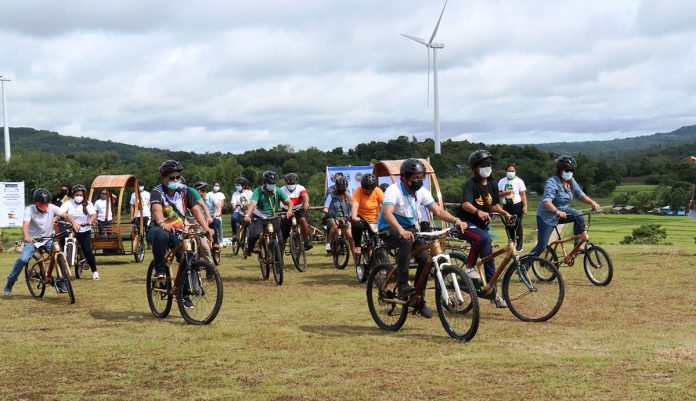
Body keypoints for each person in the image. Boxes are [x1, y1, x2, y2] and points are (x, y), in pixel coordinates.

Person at [378, 158, 468, 318]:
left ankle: (418, 300)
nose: (419, 181)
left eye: (422, 178)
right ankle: (403, 284)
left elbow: (438, 211)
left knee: (426, 259)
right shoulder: (394, 190)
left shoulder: (422, 192)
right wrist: (400, 230)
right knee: (406, 240)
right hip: (389, 227)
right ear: (404, 178)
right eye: (415, 178)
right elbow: (387, 213)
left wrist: (456, 220)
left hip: (410, 228)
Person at [148, 160, 214, 308]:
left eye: (177, 177)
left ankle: (183, 294)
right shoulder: (157, 192)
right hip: (159, 229)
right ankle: (159, 270)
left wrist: (206, 228)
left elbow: (196, 210)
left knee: (188, 257)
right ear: (163, 178)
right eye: (172, 178)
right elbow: (157, 210)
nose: (175, 180)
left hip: (179, 230)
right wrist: (162, 223)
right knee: (161, 235)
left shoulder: (185, 191)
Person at [456, 150, 513, 308]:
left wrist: (504, 212)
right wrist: (478, 211)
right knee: (482, 238)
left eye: (489, 164)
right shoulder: (470, 184)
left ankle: (494, 294)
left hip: (481, 226)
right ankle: (468, 269)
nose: (487, 167)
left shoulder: (493, 183)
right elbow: (465, 204)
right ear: (474, 168)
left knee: (489, 261)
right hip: (465, 223)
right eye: (483, 165)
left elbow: (493, 205)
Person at [4, 188, 81, 296]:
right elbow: (25, 224)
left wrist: (74, 223)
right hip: (33, 240)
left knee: (60, 257)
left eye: (46, 203)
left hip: (48, 239)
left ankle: (60, 281)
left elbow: (65, 216)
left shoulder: (52, 207)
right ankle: (10, 281)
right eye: (42, 204)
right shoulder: (29, 210)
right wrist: (27, 237)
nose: (45, 206)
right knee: (23, 259)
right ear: (35, 202)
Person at [528, 155, 600, 258]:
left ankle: (577, 246)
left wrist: (592, 202)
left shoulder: (571, 181)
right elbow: (547, 202)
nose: (569, 172)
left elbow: (581, 195)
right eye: (567, 170)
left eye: (572, 170)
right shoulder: (551, 183)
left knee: (579, 216)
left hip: (562, 213)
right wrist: (556, 212)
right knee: (541, 246)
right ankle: (524, 265)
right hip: (547, 216)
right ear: (560, 170)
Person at [244, 171, 294, 256]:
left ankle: (279, 265)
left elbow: (290, 202)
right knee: (254, 235)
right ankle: (249, 249)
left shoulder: (278, 191)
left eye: (274, 183)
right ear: (265, 182)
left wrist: (289, 211)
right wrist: (248, 215)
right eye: (270, 183)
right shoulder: (258, 191)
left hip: (274, 217)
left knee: (280, 242)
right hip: (260, 217)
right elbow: (252, 205)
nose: (272, 185)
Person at [59, 184, 99, 280]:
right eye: (77, 195)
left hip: (84, 230)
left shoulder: (88, 204)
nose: (79, 197)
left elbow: (93, 214)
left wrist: (89, 221)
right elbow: (60, 212)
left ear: (84, 195)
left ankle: (94, 272)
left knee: (87, 250)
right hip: (70, 229)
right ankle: (63, 271)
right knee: (61, 247)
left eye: (81, 195)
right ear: (73, 195)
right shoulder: (68, 203)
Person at [350, 173, 384, 256]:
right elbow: (355, 205)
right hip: (362, 218)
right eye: (366, 189)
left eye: (371, 190)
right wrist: (354, 216)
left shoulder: (378, 191)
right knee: (356, 225)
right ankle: (357, 246)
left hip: (375, 220)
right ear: (362, 187)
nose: (368, 191)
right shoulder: (358, 191)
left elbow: (384, 204)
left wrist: (387, 216)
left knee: (377, 239)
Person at [498, 163, 527, 252]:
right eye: (509, 171)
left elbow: (523, 194)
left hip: (517, 205)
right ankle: (511, 244)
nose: (510, 172)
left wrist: (525, 205)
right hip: (506, 205)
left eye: (512, 171)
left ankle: (519, 246)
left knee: (517, 225)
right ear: (506, 171)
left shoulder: (519, 181)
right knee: (508, 225)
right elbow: (497, 194)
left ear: (515, 172)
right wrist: (505, 193)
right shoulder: (501, 181)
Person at [280, 173, 313, 250]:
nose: (291, 184)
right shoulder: (281, 189)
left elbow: (305, 196)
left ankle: (306, 241)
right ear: (286, 182)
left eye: (292, 183)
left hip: (298, 210)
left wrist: (306, 203)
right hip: (286, 211)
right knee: (283, 231)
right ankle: (280, 250)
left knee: (303, 220)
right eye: (289, 183)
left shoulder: (300, 188)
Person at [322, 176, 354, 254]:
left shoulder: (347, 193)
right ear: (336, 186)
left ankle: (356, 259)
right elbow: (327, 202)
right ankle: (328, 243)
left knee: (350, 238)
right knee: (335, 226)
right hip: (331, 215)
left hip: (343, 217)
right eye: (340, 188)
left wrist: (351, 213)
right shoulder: (331, 194)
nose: (341, 190)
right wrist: (326, 208)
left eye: (343, 188)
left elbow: (352, 204)